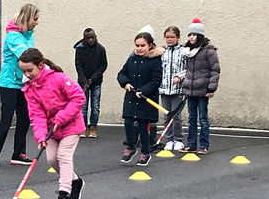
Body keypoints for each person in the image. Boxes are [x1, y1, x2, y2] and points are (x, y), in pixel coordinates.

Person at [19, 48, 86, 199]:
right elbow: (36, 114)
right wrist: (41, 136)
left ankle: (64, 194)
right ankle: (75, 181)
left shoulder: (58, 78)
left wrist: (62, 117)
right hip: (51, 130)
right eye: (24, 71)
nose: (27, 74)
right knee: (51, 159)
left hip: (71, 125)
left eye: (30, 70)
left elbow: (79, 98)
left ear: (41, 65)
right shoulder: (29, 88)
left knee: (63, 155)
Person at [0, 3, 39, 167]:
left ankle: (18, 153)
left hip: (23, 83)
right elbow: (26, 56)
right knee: (6, 119)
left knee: (24, 118)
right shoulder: (12, 36)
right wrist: (46, 65)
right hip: (8, 83)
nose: (37, 22)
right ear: (28, 18)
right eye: (35, 19)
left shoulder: (29, 35)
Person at [117, 25, 163, 166]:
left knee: (143, 128)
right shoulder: (131, 60)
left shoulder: (155, 61)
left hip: (145, 100)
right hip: (131, 98)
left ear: (150, 46)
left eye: (142, 45)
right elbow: (121, 73)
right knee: (129, 124)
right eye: (137, 45)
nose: (139, 48)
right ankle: (130, 147)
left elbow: (156, 81)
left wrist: (143, 91)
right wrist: (125, 83)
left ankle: (145, 152)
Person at [179, 18, 220, 155]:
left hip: (203, 90)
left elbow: (215, 70)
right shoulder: (188, 51)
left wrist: (211, 88)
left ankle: (203, 145)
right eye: (190, 34)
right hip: (190, 90)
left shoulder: (209, 51)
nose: (191, 37)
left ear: (200, 35)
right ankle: (191, 144)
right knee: (191, 118)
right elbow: (187, 70)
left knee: (203, 118)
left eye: (194, 34)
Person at [74, 28, 108, 138]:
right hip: (83, 82)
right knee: (83, 106)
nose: (91, 40)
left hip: (96, 81)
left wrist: (93, 78)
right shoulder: (80, 49)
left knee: (95, 106)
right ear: (84, 38)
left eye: (93, 37)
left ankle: (93, 127)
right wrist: (84, 80)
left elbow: (103, 65)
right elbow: (78, 65)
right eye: (88, 38)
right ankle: (82, 127)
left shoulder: (101, 49)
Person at [158, 25, 187, 150]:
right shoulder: (161, 52)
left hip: (177, 89)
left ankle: (178, 139)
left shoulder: (183, 52)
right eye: (167, 37)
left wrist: (179, 77)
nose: (169, 39)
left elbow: (188, 68)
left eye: (172, 37)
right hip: (164, 89)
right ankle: (169, 139)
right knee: (166, 115)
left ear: (178, 38)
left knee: (177, 116)